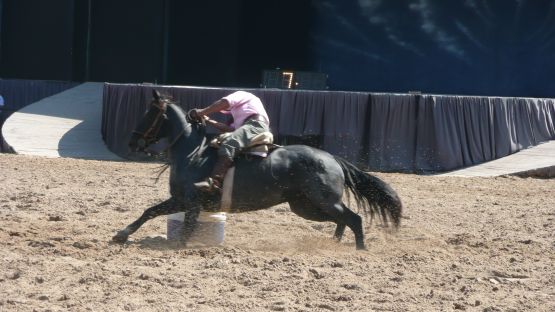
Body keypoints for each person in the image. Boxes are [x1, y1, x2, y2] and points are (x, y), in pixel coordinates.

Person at [190, 91, 270, 193]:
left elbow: (225, 102)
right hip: (251, 126)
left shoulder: (242, 94)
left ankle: (214, 182)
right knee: (224, 142)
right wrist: (209, 120)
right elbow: (229, 129)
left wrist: (201, 112)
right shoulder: (241, 113)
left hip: (255, 124)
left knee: (228, 145)